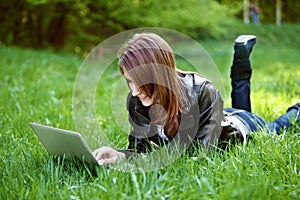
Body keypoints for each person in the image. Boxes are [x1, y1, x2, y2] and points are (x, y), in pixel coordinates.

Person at [93, 33, 299, 165]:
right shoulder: (137, 101)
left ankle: (297, 109)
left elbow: (198, 157)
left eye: (141, 82)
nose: (136, 91)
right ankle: (242, 54)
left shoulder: (203, 92)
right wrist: (119, 156)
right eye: (129, 81)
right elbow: (140, 151)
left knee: (275, 127)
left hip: (240, 127)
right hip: (220, 117)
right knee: (241, 104)